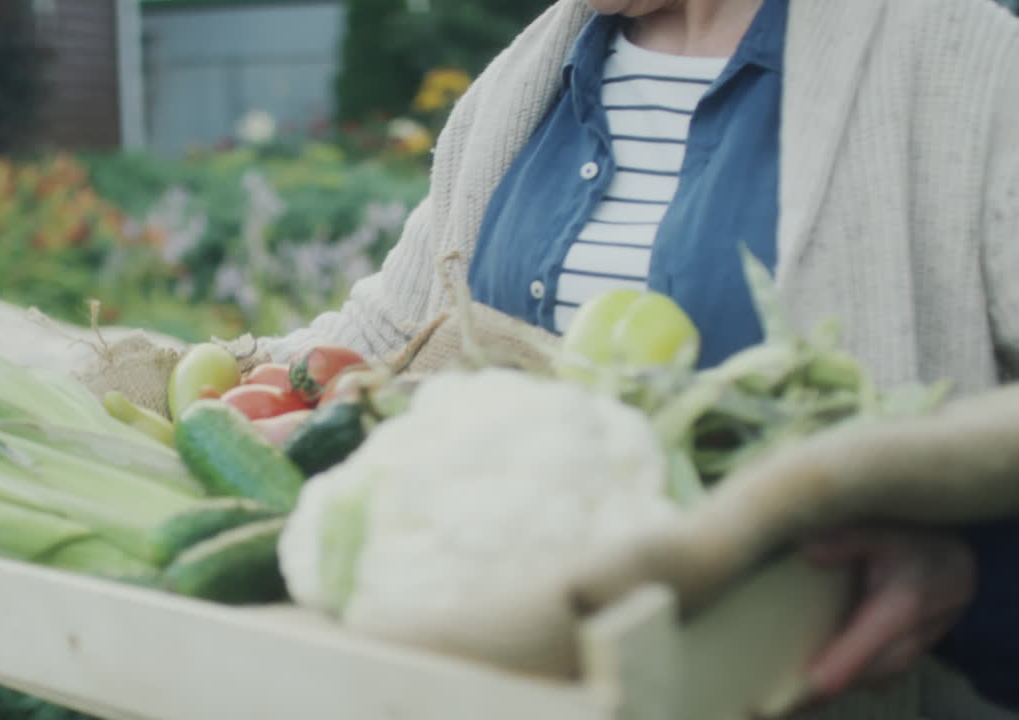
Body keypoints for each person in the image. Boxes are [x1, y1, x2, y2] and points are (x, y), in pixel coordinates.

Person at [228, 0, 1019, 708]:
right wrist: (193, 384)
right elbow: (381, 341)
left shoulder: (964, 61)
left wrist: (973, 568)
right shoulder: (527, 78)